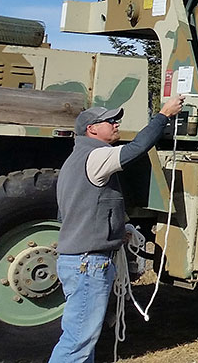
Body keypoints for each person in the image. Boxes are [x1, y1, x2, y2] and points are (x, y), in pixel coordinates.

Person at [49, 95, 185, 363]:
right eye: (110, 121)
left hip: (79, 262)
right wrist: (164, 116)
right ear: (91, 129)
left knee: (82, 340)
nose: (116, 124)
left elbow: (79, 212)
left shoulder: (74, 161)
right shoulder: (96, 155)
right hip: (89, 264)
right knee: (77, 342)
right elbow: (137, 148)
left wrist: (115, 232)